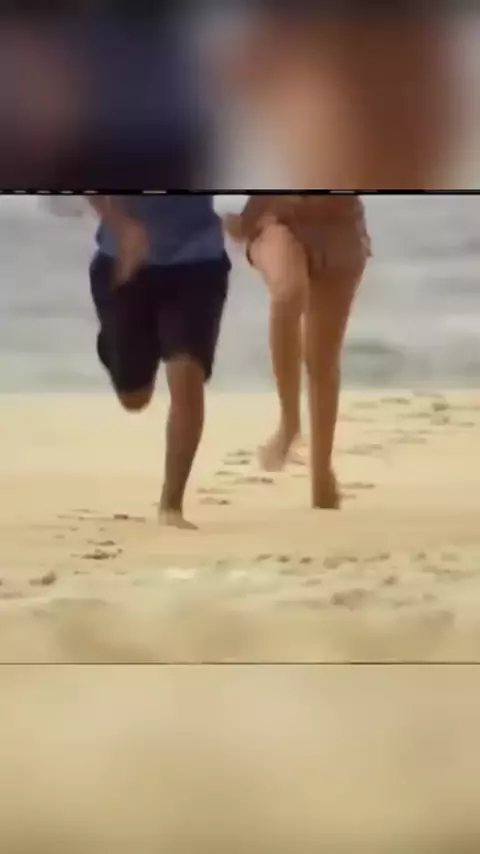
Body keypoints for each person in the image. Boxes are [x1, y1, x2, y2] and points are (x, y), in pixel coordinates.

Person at [88, 195, 231, 529]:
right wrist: (122, 224)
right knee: (134, 398)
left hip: (198, 264)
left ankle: (171, 506)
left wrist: (256, 215)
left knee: (187, 373)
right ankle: (115, 344)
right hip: (122, 260)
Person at [224, 194, 370, 509]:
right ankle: (289, 423)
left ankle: (322, 475)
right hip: (278, 218)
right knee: (288, 292)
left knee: (323, 359)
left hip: (341, 228)